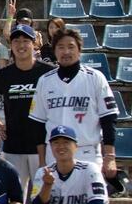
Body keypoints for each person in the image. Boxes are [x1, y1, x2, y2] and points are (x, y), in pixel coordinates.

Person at [0, 23, 52, 204]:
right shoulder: (3, 75)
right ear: (11, 46)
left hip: (42, 148)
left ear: (34, 44)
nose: (21, 45)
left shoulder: (47, 72)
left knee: (47, 202)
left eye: (26, 41)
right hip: (13, 147)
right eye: (16, 42)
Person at [30, 28, 119, 173]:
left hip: (87, 152)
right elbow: (38, 124)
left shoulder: (95, 77)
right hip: (54, 154)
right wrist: (42, 161)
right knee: (54, 196)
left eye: (71, 47)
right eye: (61, 47)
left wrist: (109, 157)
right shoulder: (44, 81)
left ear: (79, 50)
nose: (66, 52)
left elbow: (108, 118)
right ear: (54, 51)